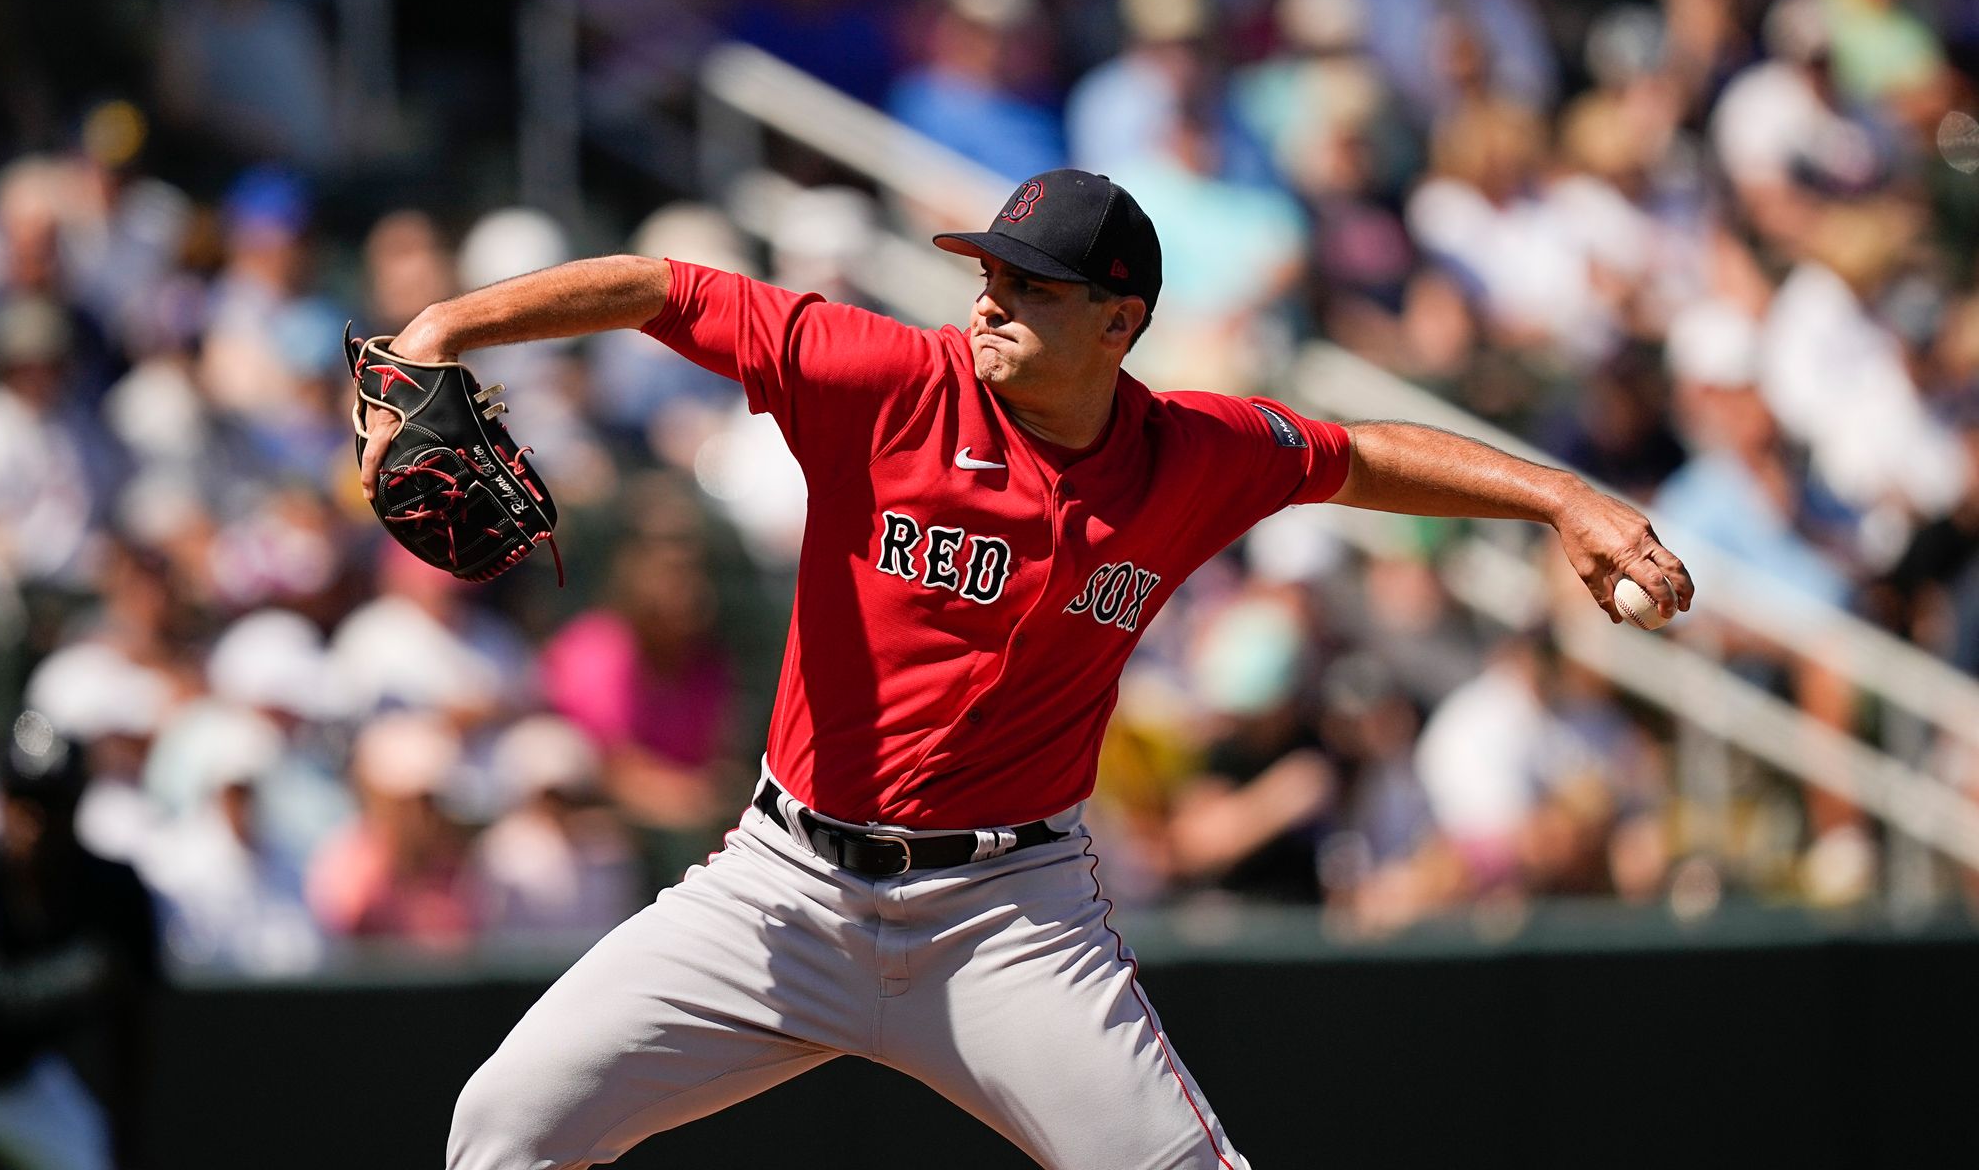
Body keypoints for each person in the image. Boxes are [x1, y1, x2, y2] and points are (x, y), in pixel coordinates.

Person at [359, 168, 1692, 1169]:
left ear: (1120, 322)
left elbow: (1357, 453)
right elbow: (671, 288)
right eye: (988, 275)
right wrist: (443, 327)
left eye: (1032, 287)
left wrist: (1560, 497)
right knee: (508, 1126)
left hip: (1005, 916)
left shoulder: (1191, 455)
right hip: (780, 888)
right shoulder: (884, 381)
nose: (991, 301)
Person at [0, 712, 161, 1170]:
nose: (38, 822)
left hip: (25, 1080)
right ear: (1, 801)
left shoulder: (112, 889)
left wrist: (128, 1126)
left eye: (53, 803)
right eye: (25, 801)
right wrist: (80, 973)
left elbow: (133, 1019)